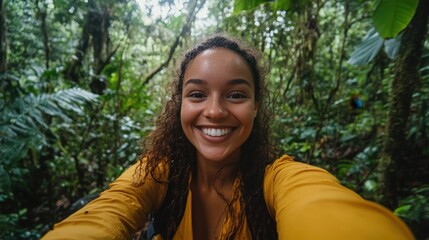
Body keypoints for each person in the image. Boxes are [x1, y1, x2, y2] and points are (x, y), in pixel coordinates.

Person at [42, 34, 414, 240]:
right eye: (198, 94)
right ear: (180, 105)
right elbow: (104, 215)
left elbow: (319, 205)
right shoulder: (158, 173)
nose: (216, 111)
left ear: (255, 107)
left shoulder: (278, 179)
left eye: (236, 94)